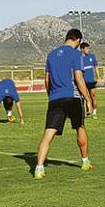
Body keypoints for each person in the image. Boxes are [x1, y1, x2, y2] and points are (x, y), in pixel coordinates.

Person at [34, 29, 93, 179]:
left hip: (55, 98)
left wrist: (51, 96)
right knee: (80, 126)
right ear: (78, 40)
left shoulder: (51, 55)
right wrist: (88, 100)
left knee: (48, 133)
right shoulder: (76, 54)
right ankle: (85, 161)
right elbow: (79, 78)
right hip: (72, 97)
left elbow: (46, 80)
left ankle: (39, 168)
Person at [80, 42, 100, 119]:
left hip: (92, 81)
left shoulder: (92, 56)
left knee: (93, 96)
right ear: (82, 49)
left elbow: (96, 67)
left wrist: (98, 78)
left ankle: (94, 112)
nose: (88, 50)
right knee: (84, 98)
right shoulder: (79, 58)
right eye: (87, 48)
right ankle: (85, 112)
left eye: (89, 48)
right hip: (83, 82)